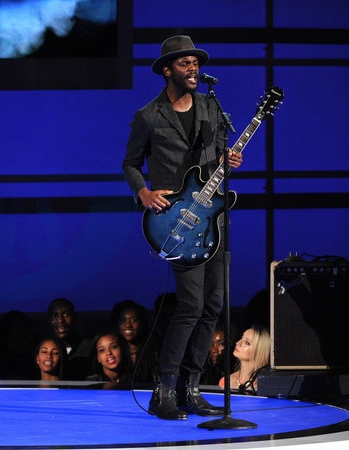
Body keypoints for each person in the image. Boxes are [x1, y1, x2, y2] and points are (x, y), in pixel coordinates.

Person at [122, 35, 243, 420]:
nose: (193, 68)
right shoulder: (149, 115)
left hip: (212, 219)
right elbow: (130, 163)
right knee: (191, 303)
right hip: (177, 220)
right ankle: (164, 389)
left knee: (213, 306)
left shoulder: (211, 107)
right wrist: (143, 192)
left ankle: (192, 388)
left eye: (195, 62)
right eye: (184, 63)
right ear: (167, 70)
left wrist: (228, 159)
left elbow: (218, 157)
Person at [110, 300, 158, 383]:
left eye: (134, 320)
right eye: (123, 320)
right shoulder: (114, 352)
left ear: (142, 322)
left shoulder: (154, 351)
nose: (128, 325)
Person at [46, 298, 91, 381]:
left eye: (66, 314)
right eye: (54, 316)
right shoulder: (44, 350)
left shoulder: (89, 347)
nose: (60, 320)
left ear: (75, 317)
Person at [219, 324, 270, 395]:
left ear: (259, 351)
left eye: (247, 342)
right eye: (241, 338)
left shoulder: (266, 386)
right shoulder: (226, 381)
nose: (238, 343)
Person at [201, 322, 238, 386]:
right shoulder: (204, 373)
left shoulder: (238, 376)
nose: (214, 350)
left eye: (221, 344)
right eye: (211, 344)